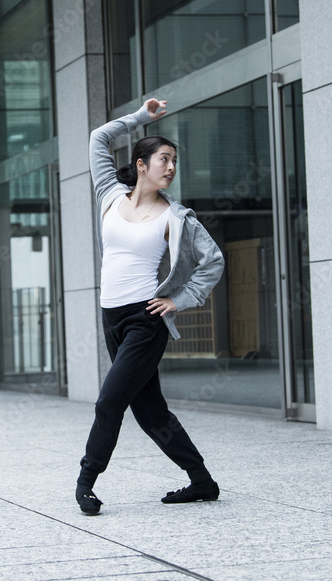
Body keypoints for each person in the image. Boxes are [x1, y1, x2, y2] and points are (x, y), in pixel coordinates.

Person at [76, 98, 225, 515]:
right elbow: (99, 137)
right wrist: (141, 117)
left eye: (174, 161)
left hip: (146, 319)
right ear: (141, 164)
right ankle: (202, 481)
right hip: (112, 317)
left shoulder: (177, 217)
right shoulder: (109, 193)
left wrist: (178, 299)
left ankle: (86, 481)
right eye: (164, 158)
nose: (171, 167)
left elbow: (213, 261)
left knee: (110, 402)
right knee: (150, 410)